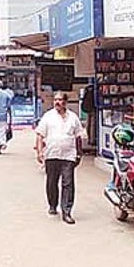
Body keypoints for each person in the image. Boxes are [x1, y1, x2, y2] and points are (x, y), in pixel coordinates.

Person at [35, 91, 85, 225]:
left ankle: (67, 212)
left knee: (68, 183)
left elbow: (78, 136)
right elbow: (40, 135)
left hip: (69, 155)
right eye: (55, 100)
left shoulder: (73, 117)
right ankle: (52, 204)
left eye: (60, 100)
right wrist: (39, 152)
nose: (57, 102)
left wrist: (79, 153)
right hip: (52, 154)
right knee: (52, 182)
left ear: (65, 102)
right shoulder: (48, 116)